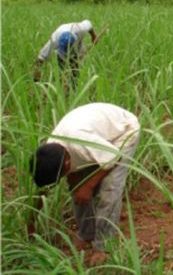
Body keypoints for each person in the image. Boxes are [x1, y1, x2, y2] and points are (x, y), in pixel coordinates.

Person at [29, 103, 140, 266]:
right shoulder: (50, 153)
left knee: (109, 189)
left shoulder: (80, 143)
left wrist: (87, 186)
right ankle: (86, 234)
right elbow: (43, 189)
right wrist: (31, 221)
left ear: (67, 164)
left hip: (122, 132)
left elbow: (113, 157)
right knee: (76, 186)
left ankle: (103, 246)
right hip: (97, 136)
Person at [34, 20, 97, 86]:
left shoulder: (80, 29)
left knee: (75, 67)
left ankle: (74, 84)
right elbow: (40, 58)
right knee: (61, 68)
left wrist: (93, 36)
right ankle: (62, 84)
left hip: (76, 45)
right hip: (61, 51)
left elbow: (89, 24)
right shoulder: (54, 41)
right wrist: (36, 74)